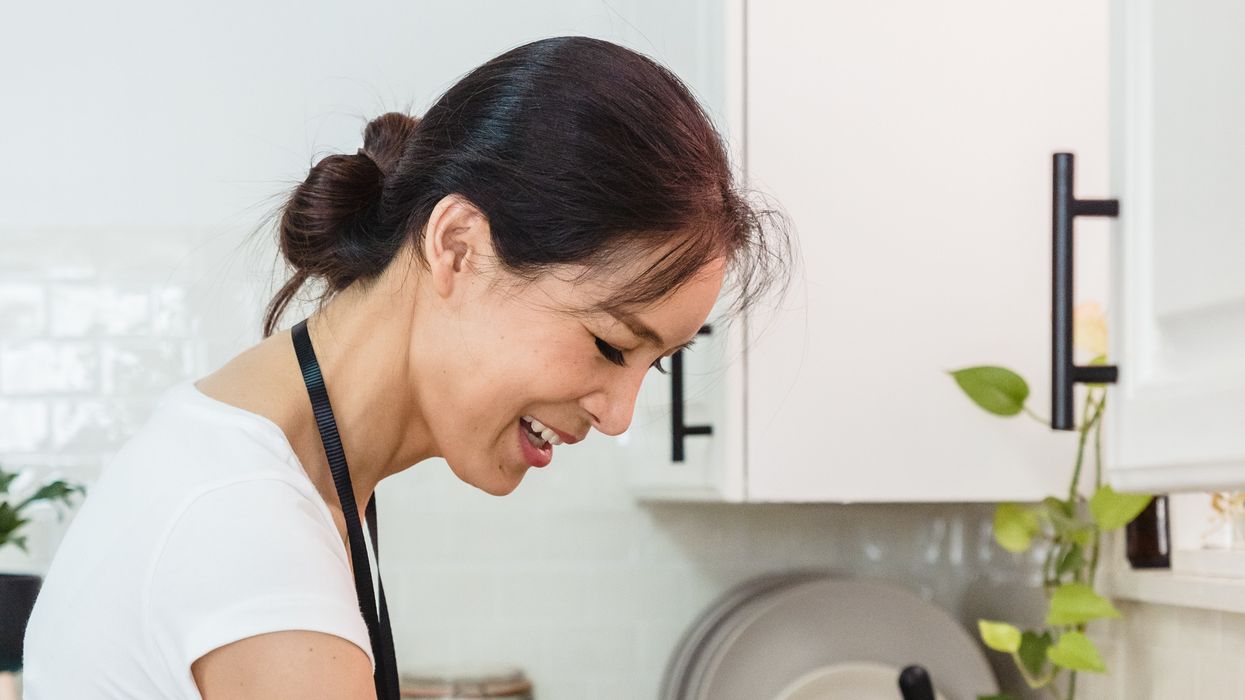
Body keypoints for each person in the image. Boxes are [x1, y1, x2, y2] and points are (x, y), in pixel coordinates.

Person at [20, 35, 791, 698]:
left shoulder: (269, 472)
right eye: (612, 344)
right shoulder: (251, 538)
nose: (617, 413)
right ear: (457, 245)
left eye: (652, 366)